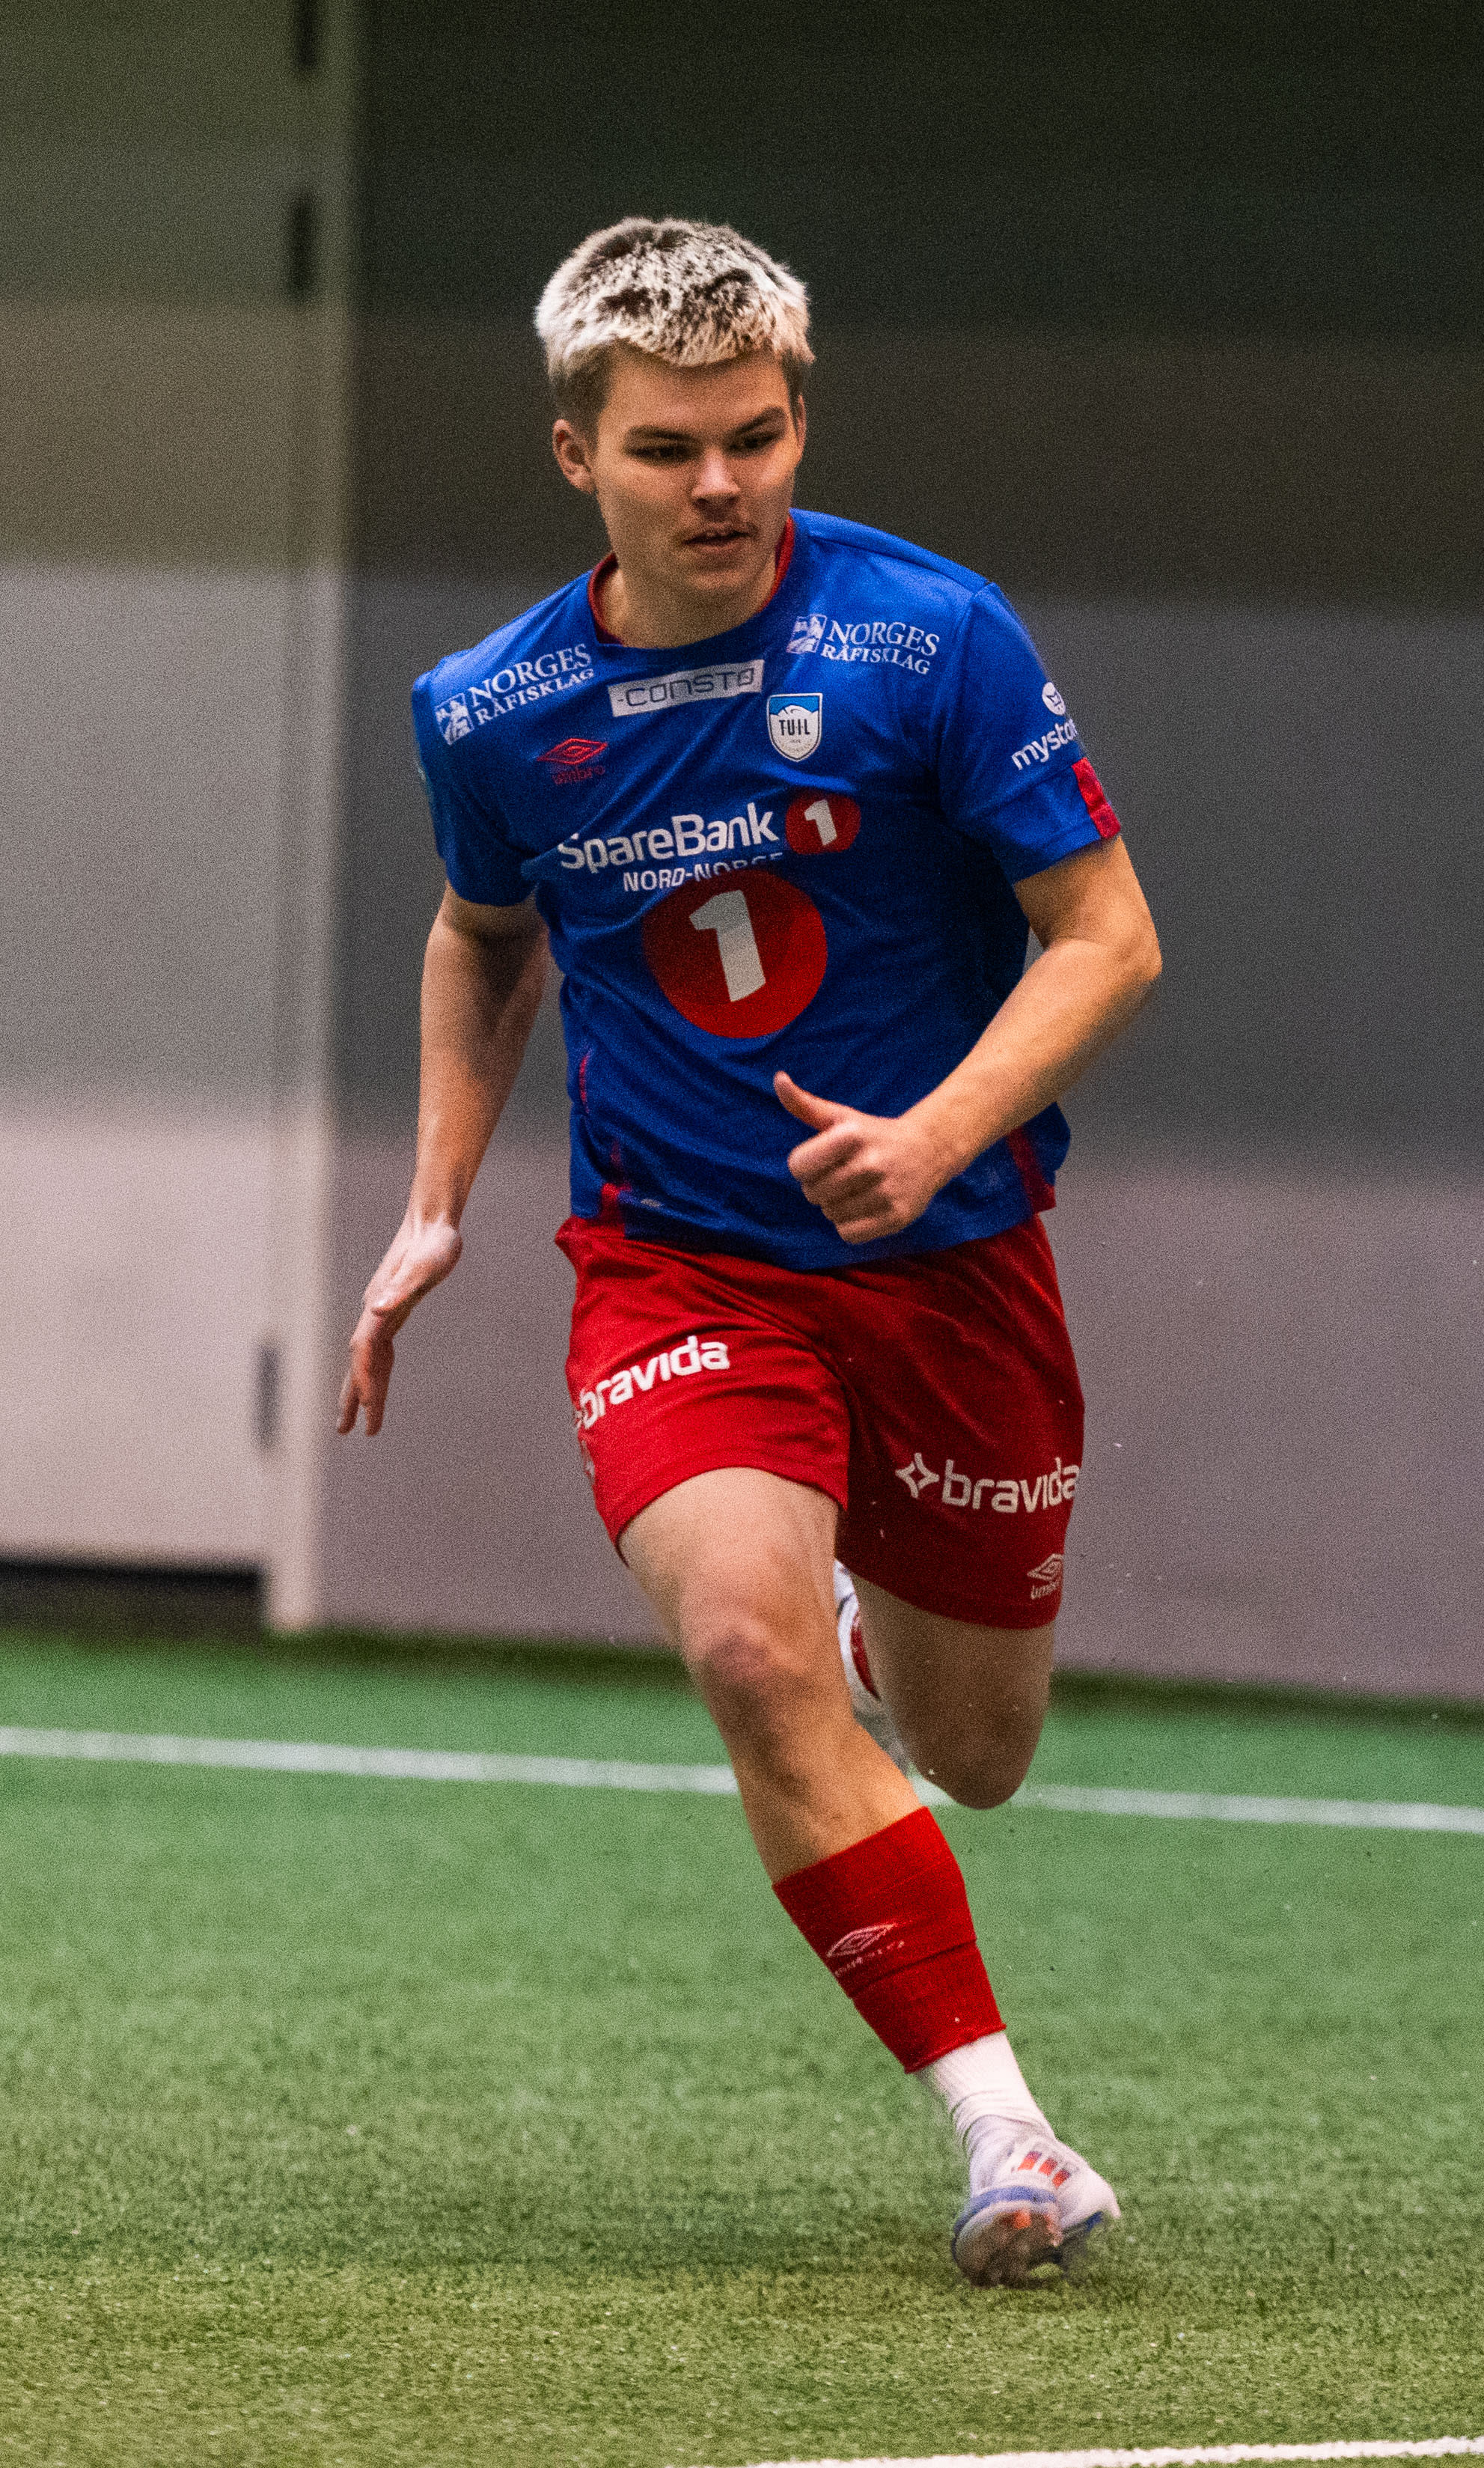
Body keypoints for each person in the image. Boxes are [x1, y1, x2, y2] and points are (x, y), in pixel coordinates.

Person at [338, 218, 1164, 2286]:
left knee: (976, 1752)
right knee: (741, 1651)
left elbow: (1107, 939)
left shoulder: (932, 638)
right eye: (667, 448)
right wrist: (435, 1200)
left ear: (799, 418)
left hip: (953, 1258)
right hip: (677, 1267)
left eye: (757, 437)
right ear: (575, 455)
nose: (720, 484)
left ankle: (883, 1634)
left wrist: (938, 1133)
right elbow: (484, 940)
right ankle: (1010, 2136)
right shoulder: (492, 710)